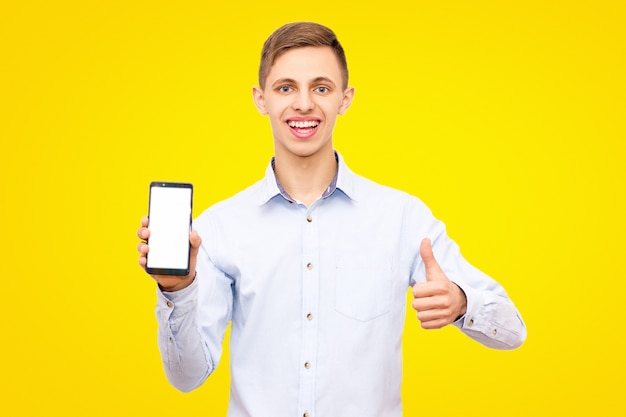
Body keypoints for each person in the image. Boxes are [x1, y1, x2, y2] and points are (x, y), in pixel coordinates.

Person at [136, 21, 526, 417]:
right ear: (260, 99)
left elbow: (513, 331)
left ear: (345, 98)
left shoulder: (402, 218)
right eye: (285, 87)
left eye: (321, 88)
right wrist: (177, 290)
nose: (303, 104)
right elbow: (188, 377)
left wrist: (462, 303)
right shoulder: (220, 227)